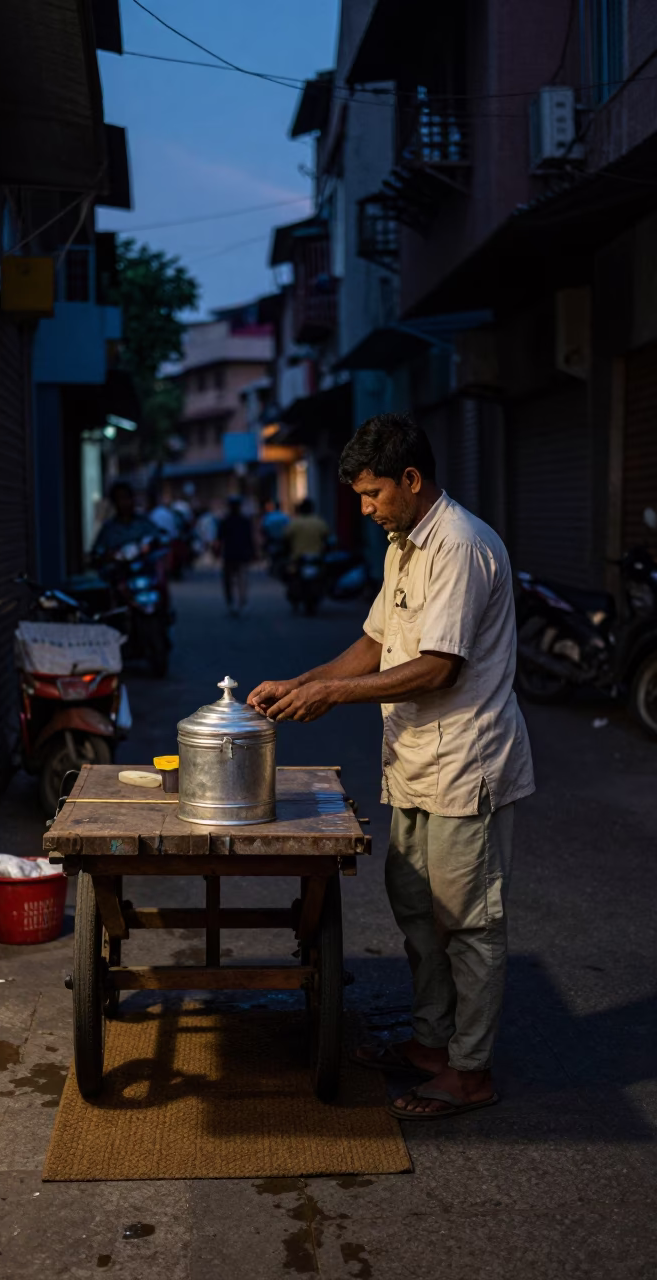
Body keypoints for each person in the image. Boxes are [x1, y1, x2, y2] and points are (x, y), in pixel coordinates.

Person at [248, 413, 535, 1120]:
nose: (367, 510)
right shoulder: (403, 545)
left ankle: (470, 1072)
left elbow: (437, 667)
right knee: (417, 913)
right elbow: (375, 642)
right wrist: (303, 681)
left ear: (412, 480)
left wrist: (332, 695)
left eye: (374, 495)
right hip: (413, 762)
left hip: (465, 763)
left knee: (467, 923)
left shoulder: (460, 546)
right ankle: (431, 1045)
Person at [92, 481, 160, 558]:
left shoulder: (144, 522)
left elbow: (158, 538)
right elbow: (98, 551)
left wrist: (149, 545)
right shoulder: (108, 529)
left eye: (127, 497)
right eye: (120, 499)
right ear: (114, 502)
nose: (125, 502)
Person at [215, 495, 255, 615]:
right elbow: (250, 539)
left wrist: (217, 552)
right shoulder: (245, 521)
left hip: (230, 554)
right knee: (241, 579)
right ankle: (241, 601)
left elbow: (219, 539)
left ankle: (232, 602)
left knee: (229, 580)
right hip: (241, 554)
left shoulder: (225, 521)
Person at [283, 497, 329, 562]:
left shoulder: (294, 523)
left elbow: (286, 538)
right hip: (316, 556)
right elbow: (326, 537)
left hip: (299, 557)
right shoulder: (319, 522)